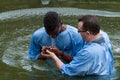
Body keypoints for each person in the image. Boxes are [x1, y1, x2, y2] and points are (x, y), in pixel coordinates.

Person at [42, 15, 115, 76]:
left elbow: (67, 70)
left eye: (79, 31)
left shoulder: (88, 52)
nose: (78, 33)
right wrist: (60, 53)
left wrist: (53, 56)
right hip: (108, 72)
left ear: (88, 33)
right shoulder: (104, 36)